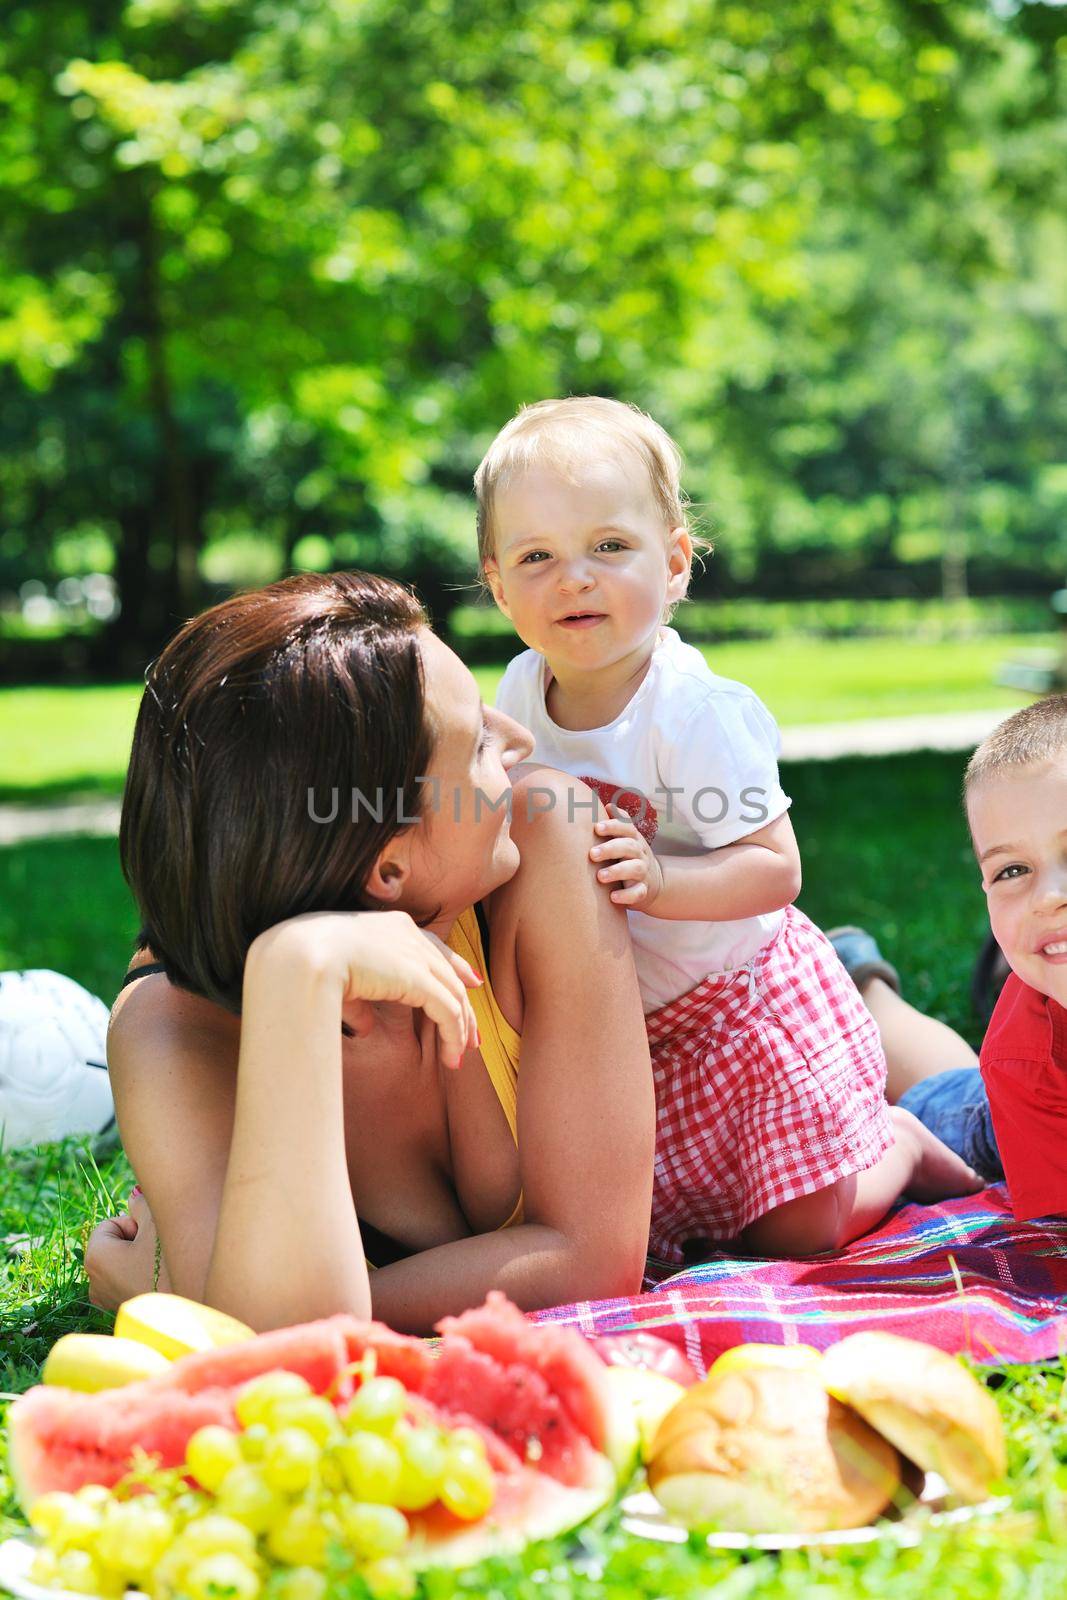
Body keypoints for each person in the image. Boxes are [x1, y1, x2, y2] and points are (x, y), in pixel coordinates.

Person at [476, 395, 982, 1265]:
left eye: (608, 546)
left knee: (798, 1232)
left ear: (673, 562)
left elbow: (773, 870)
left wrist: (665, 882)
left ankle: (896, 1144)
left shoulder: (694, 712)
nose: (575, 577)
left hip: (737, 1004)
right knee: (694, 1228)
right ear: (495, 585)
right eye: (536, 556)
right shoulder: (520, 694)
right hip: (633, 1026)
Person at [85, 570, 657, 1334]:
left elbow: (596, 1263)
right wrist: (299, 971)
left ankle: (868, 973)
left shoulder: (544, 836)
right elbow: (291, 1364)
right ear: (387, 866)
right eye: (480, 743)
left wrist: (208, 1302)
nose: (520, 740)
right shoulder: (173, 1028)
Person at [952, 695, 1067, 1220]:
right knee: (942, 1101)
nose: (1048, 895)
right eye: (1013, 871)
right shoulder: (1023, 1061)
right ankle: (862, 981)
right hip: (1001, 1120)